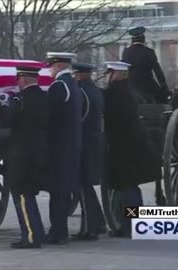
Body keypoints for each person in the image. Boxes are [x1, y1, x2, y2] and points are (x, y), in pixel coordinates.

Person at [103, 61, 162, 238]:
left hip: (125, 149)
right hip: (132, 147)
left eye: (110, 73)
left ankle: (131, 225)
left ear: (118, 74)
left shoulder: (116, 92)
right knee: (130, 187)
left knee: (128, 188)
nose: (108, 76)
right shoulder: (125, 90)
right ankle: (132, 224)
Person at [0, 66, 48, 249]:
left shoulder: (20, 99)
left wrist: (4, 106)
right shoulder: (44, 97)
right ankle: (37, 232)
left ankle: (31, 236)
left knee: (23, 196)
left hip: (22, 155)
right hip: (39, 152)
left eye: (18, 79)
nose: (17, 83)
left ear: (24, 80)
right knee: (29, 195)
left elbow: (7, 121)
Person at [46, 52, 83, 244]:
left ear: (59, 66)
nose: (49, 70)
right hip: (70, 146)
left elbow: (49, 115)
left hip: (59, 148)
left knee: (57, 192)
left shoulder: (59, 86)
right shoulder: (72, 84)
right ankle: (59, 230)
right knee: (61, 192)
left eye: (51, 66)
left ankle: (58, 232)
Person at [70, 63, 107, 241]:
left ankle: (89, 229)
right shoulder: (95, 90)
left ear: (78, 75)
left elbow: (80, 117)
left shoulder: (81, 92)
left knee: (83, 187)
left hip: (84, 142)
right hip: (93, 140)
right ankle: (98, 222)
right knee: (86, 187)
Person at [121, 26, 170, 104]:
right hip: (147, 85)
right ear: (143, 39)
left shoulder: (126, 52)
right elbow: (157, 70)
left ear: (132, 40)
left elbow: (123, 69)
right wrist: (164, 86)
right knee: (163, 98)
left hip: (130, 85)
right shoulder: (149, 52)